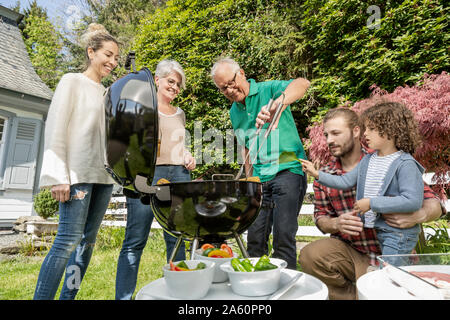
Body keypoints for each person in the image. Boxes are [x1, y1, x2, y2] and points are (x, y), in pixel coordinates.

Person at [297, 106, 445, 299]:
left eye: (335, 133)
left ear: (356, 131)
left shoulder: (394, 161)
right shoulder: (335, 171)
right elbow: (320, 217)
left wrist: (420, 215)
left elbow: (432, 202)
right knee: (310, 254)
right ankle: (357, 294)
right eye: (326, 135)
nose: (329, 140)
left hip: (391, 246)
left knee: (388, 283)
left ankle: (378, 287)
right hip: (352, 252)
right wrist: (335, 223)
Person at [34, 24, 120, 300]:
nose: (113, 62)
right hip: (77, 173)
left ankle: (67, 298)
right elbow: (56, 127)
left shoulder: (107, 93)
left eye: (116, 58)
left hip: (103, 177)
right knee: (67, 241)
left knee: (87, 244)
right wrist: (59, 175)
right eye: (108, 54)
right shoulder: (72, 81)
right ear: (91, 52)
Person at [211, 57, 310, 269]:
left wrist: (279, 103)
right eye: (223, 88)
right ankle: (257, 287)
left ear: (242, 74)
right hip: (259, 179)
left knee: (283, 236)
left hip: (288, 171)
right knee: (254, 240)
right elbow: (246, 147)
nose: (229, 90)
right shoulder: (233, 111)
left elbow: (303, 83)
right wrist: (249, 181)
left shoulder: (270, 89)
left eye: (231, 82)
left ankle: (284, 289)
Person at [115, 59, 196, 300]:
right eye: (171, 81)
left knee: (176, 239)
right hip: (148, 177)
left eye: (178, 84)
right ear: (157, 81)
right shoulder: (141, 109)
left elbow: (178, 145)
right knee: (135, 240)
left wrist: (188, 156)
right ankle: (124, 297)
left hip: (178, 177)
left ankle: (180, 295)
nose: (175, 87)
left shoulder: (180, 113)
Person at [301, 102, 425, 258]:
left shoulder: (405, 164)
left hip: (398, 233)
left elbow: (413, 200)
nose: (365, 134)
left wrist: (371, 203)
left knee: (389, 271)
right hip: (377, 234)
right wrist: (317, 174)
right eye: (326, 135)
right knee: (387, 269)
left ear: (391, 132)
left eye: (371, 129)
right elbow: (345, 182)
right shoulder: (368, 161)